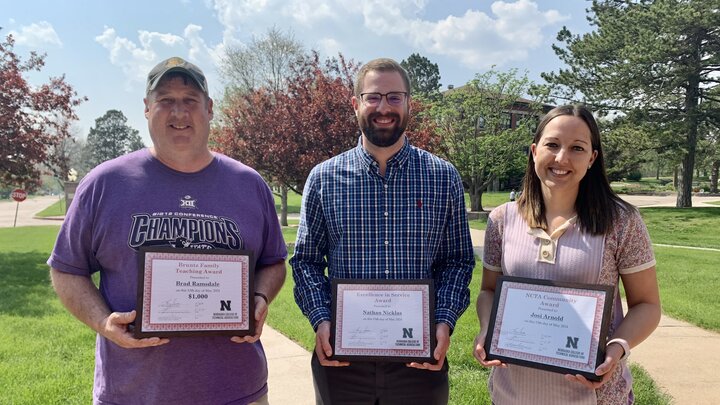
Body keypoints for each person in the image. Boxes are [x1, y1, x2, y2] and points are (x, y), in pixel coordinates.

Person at [47, 57, 287, 405]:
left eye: (190, 100)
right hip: (133, 392)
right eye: (165, 101)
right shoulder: (104, 184)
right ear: (147, 108)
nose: (179, 113)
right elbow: (66, 269)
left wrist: (260, 298)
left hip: (237, 390)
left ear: (210, 108)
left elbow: (274, 261)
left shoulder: (249, 184)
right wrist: (102, 322)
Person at [290, 58, 475, 404]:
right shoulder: (323, 179)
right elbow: (306, 261)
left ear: (408, 103)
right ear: (356, 103)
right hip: (342, 360)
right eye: (373, 97)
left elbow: (457, 261)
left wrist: (444, 322)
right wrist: (321, 320)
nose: (384, 108)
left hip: (418, 359)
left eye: (394, 97)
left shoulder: (443, 177)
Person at [473, 104, 661, 404]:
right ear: (534, 151)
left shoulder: (622, 222)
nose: (561, 158)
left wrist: (616, 348)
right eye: (552, 145)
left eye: (577, 148)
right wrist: (486, 329)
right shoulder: (501, 220)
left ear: (592, 158)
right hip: (513, 393)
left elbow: (647, 305)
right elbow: (488, 291)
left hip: (596, 396)